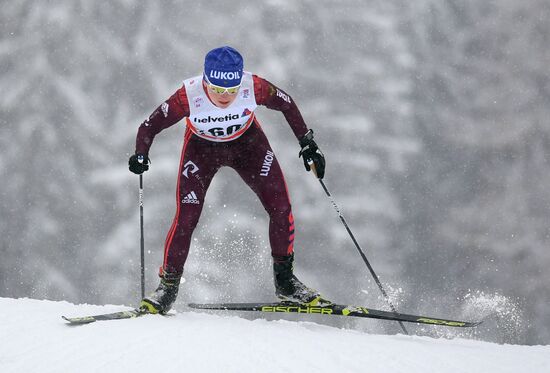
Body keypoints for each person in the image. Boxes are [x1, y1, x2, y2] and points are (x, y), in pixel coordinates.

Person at [129, 46, 327, 314]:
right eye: (218, 90)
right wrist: (141, 154)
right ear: (205, 81)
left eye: (232, 90)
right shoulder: (188, 96)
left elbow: (287, 103)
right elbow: (148, 126)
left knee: (281, 208)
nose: (225, 97)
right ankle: (167, 288)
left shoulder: (254, 87)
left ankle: (286, 284)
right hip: (201, 151)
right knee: (187, 218)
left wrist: (307, 143)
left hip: (249, 146)